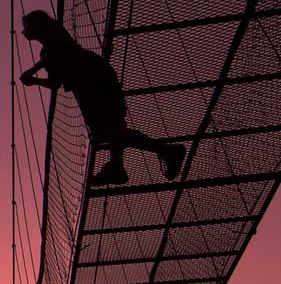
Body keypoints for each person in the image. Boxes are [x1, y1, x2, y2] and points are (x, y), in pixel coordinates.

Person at [18, 10, 185, 186]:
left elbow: (57, 50)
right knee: (109, 130)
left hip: (94, 77)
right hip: (86, 86)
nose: (23, 31)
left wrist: (32, 71)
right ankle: (118, 166)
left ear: (36, 24)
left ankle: (165, 152)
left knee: (110, 129)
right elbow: (54, 83)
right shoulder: (45, 52)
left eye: (26, 26)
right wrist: (35, 81)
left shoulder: (54, 33)